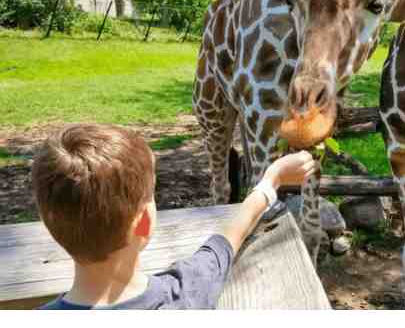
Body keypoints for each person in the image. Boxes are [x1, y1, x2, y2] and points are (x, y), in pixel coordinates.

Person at [31, 123, 316, 309]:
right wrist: (272, 179)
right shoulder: (185, 292)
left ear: (48, 222)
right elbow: (229, 239)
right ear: (143, 221)